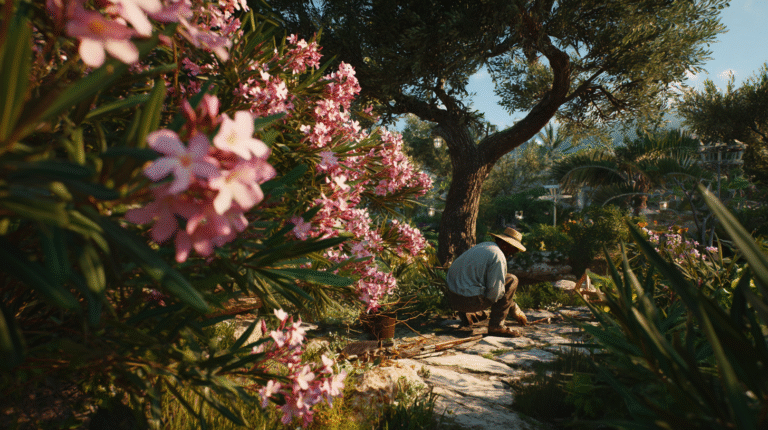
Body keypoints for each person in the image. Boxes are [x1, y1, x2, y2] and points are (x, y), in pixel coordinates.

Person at [444, 227, 528, 337]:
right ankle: (496, 326)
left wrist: (512, 307)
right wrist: (512, 308)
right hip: (469, 301)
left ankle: (471, 315)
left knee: (495, 282)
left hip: (452, 298)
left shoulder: (484, 246)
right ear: (504, 245)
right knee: (512, 280)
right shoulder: (498, 256)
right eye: (513, 249)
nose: (513, 254)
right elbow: (495, 294)